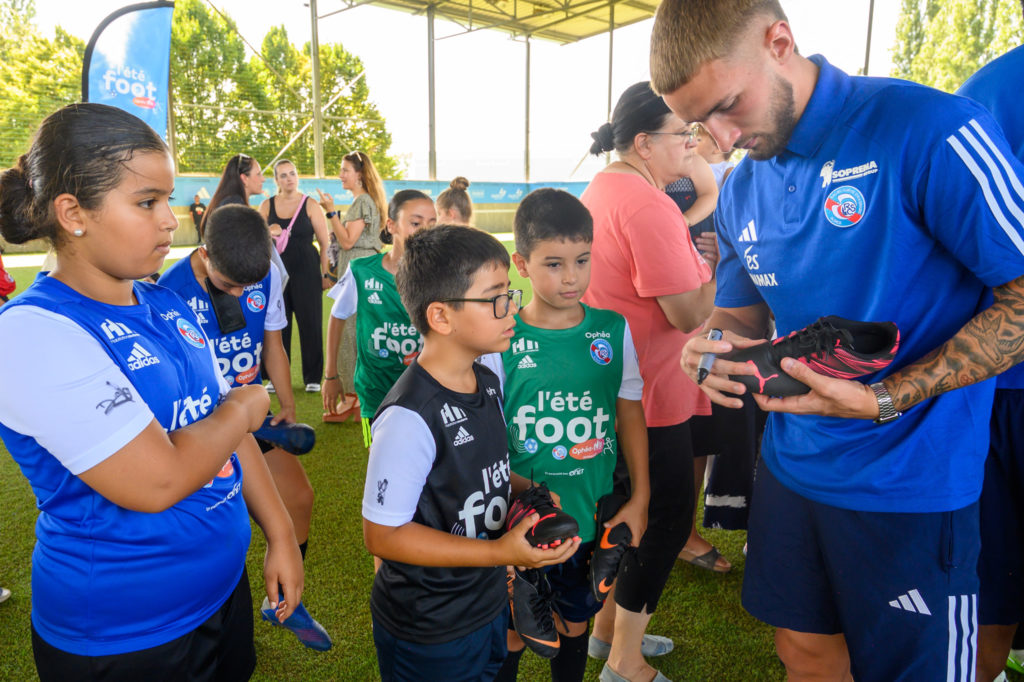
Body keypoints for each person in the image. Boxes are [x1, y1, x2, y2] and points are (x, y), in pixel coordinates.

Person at [652, 1, 1024, 679]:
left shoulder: (931, 129)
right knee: (804, 651)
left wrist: (886, 398)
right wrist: (708, 345)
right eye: (700, 123)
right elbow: (740, 317)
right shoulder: (741, 189)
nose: (722, 141)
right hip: (792, 468)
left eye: (729, 106)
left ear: (779, 41)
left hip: (911, 482)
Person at [0, 102, 302, 680]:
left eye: (168, 199)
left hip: (220, 594)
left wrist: (280, 532)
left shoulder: (162, 300)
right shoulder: (33, 331)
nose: (169, 221)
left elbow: (218, 430)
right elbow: (158, 481)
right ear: (73, 213)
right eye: (147, 202)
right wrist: (244, 407)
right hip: (124, 634)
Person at [362, 224, 578, 681]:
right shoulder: (408, 417)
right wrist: (499, 552)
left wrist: (529, 493)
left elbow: (483, 471)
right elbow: (383, 536)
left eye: (509, 294)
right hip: (430, 628)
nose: (511, 308)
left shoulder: (487, 380)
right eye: (495, 298)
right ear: (441, 317)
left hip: (487, 603)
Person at [480, 188, 649, 682]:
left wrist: (640, 497)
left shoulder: (612, 330)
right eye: (554, 264)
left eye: (582, 260)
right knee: (513, 632)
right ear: (522, 265)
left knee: (575, 623)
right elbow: (485, 437)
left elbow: (630, 412)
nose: (571, 276)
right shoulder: (501, 338)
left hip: (589, 517)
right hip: (517, 524)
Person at [582, 81, 717, 682]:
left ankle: (607, 634)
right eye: (682, 133)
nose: (691, 144)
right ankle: (624, 661)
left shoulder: (606, 188)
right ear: (643, 142)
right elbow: (687, 313)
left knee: (628, 516)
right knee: (664, 521)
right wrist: (713, 270)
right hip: (651, 391)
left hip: (618, 384)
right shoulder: (646, 204)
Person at [159, 204, 331, 651]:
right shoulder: (167, 293)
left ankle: (281, 602)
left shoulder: (267, 272)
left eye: (246, 285)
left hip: (253, 413)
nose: (239, 293)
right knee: (219, 522)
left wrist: (287, 405)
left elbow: (272, 343)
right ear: (205, 254)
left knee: (299, 498)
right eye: (228, 285)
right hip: (204, 424)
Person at [956, 29, 1024, 682]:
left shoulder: (987, 88)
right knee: (990, 583)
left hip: (991, 383)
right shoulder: (993, 93)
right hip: (996, 384)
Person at [323, 190, 436, 444]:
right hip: (375, 395)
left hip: (427, 390)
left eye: (432, 223)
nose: (425, 231)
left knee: (426, 460)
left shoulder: (442, 276)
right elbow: (337, 316)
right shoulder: (361, 271)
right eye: (416, 223)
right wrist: (331, 375)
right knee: (378, 459)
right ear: (391, 225)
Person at [318, 151, 387, 400]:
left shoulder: (362, 201)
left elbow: (348, 241)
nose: (340, 175)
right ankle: (354, 393)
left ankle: (353, 395)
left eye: (345, 170)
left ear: (359, 174)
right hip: (360, 267)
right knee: (355, 329)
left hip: (359, 268)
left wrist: (330, 213)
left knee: (350, 330)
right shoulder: (364, 200)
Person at [259, 159, 332, 393]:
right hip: (276, 273)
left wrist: (326, 273)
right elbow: (256, 238)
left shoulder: (310, 204)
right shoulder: (267, 205)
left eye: (292, 173)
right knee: (277, 326)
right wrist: (269, 231)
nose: (289, 178)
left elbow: (325, 242)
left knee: (311, 323)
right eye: (283, 175)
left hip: (307, 271)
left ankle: (313, 378)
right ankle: (275, 377)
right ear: (276, 180)